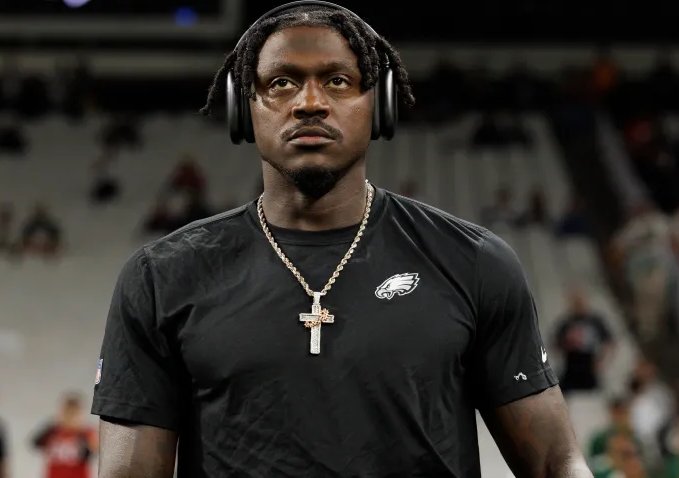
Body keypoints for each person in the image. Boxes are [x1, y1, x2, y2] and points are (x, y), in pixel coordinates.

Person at [92, 3, 591, 477]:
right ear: (243, 109)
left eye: (337, 81)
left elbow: (555, 464)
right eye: (282, 82)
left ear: (381, 104)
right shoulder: (162, 277)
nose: (310, 103)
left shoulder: (475, 263)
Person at [553, 288, 614, 394]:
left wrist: (601, 362)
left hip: (590, 368)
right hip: (571, 368)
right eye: (575, 302)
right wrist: (567, 345)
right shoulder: (567, 322)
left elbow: (609, 343)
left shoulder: (595, 321)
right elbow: (555, 344)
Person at [32, 393, 98, 478]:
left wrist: (80, 434)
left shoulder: (86, 432)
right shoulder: (53, 432)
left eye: (73, 413)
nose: (69, 417)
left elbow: (91, 453)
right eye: (67, 413)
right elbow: (35, 443)